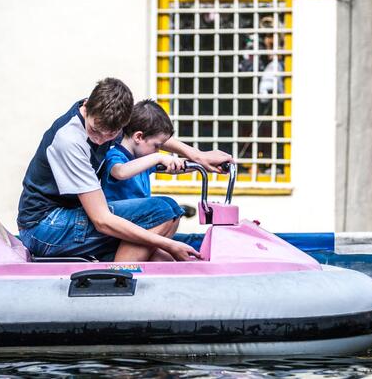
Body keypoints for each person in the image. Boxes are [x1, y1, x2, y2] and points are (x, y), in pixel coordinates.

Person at [16, 78, 231, 262]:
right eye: (94, 131)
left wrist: (198, 156)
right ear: (88, 105)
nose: (100, 140)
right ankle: (120, 278)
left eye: (110, 135)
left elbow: (153, 135)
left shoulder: (108, 115)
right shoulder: (70, 141)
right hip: (44, 227)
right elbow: (102, 220)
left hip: (72, 215)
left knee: (158, 254)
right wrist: (167, 243)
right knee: (165, 210)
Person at [101, 99, 185, 202]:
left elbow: (179, 165)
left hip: (141, 214)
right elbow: (120, 172)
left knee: (170, 204)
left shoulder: (143, 159)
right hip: (115, 213)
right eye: (156, 146)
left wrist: (201, 164)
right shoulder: (114, 155)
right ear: (139, 137)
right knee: (161, 205)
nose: (158, 151)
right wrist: (158, 158)